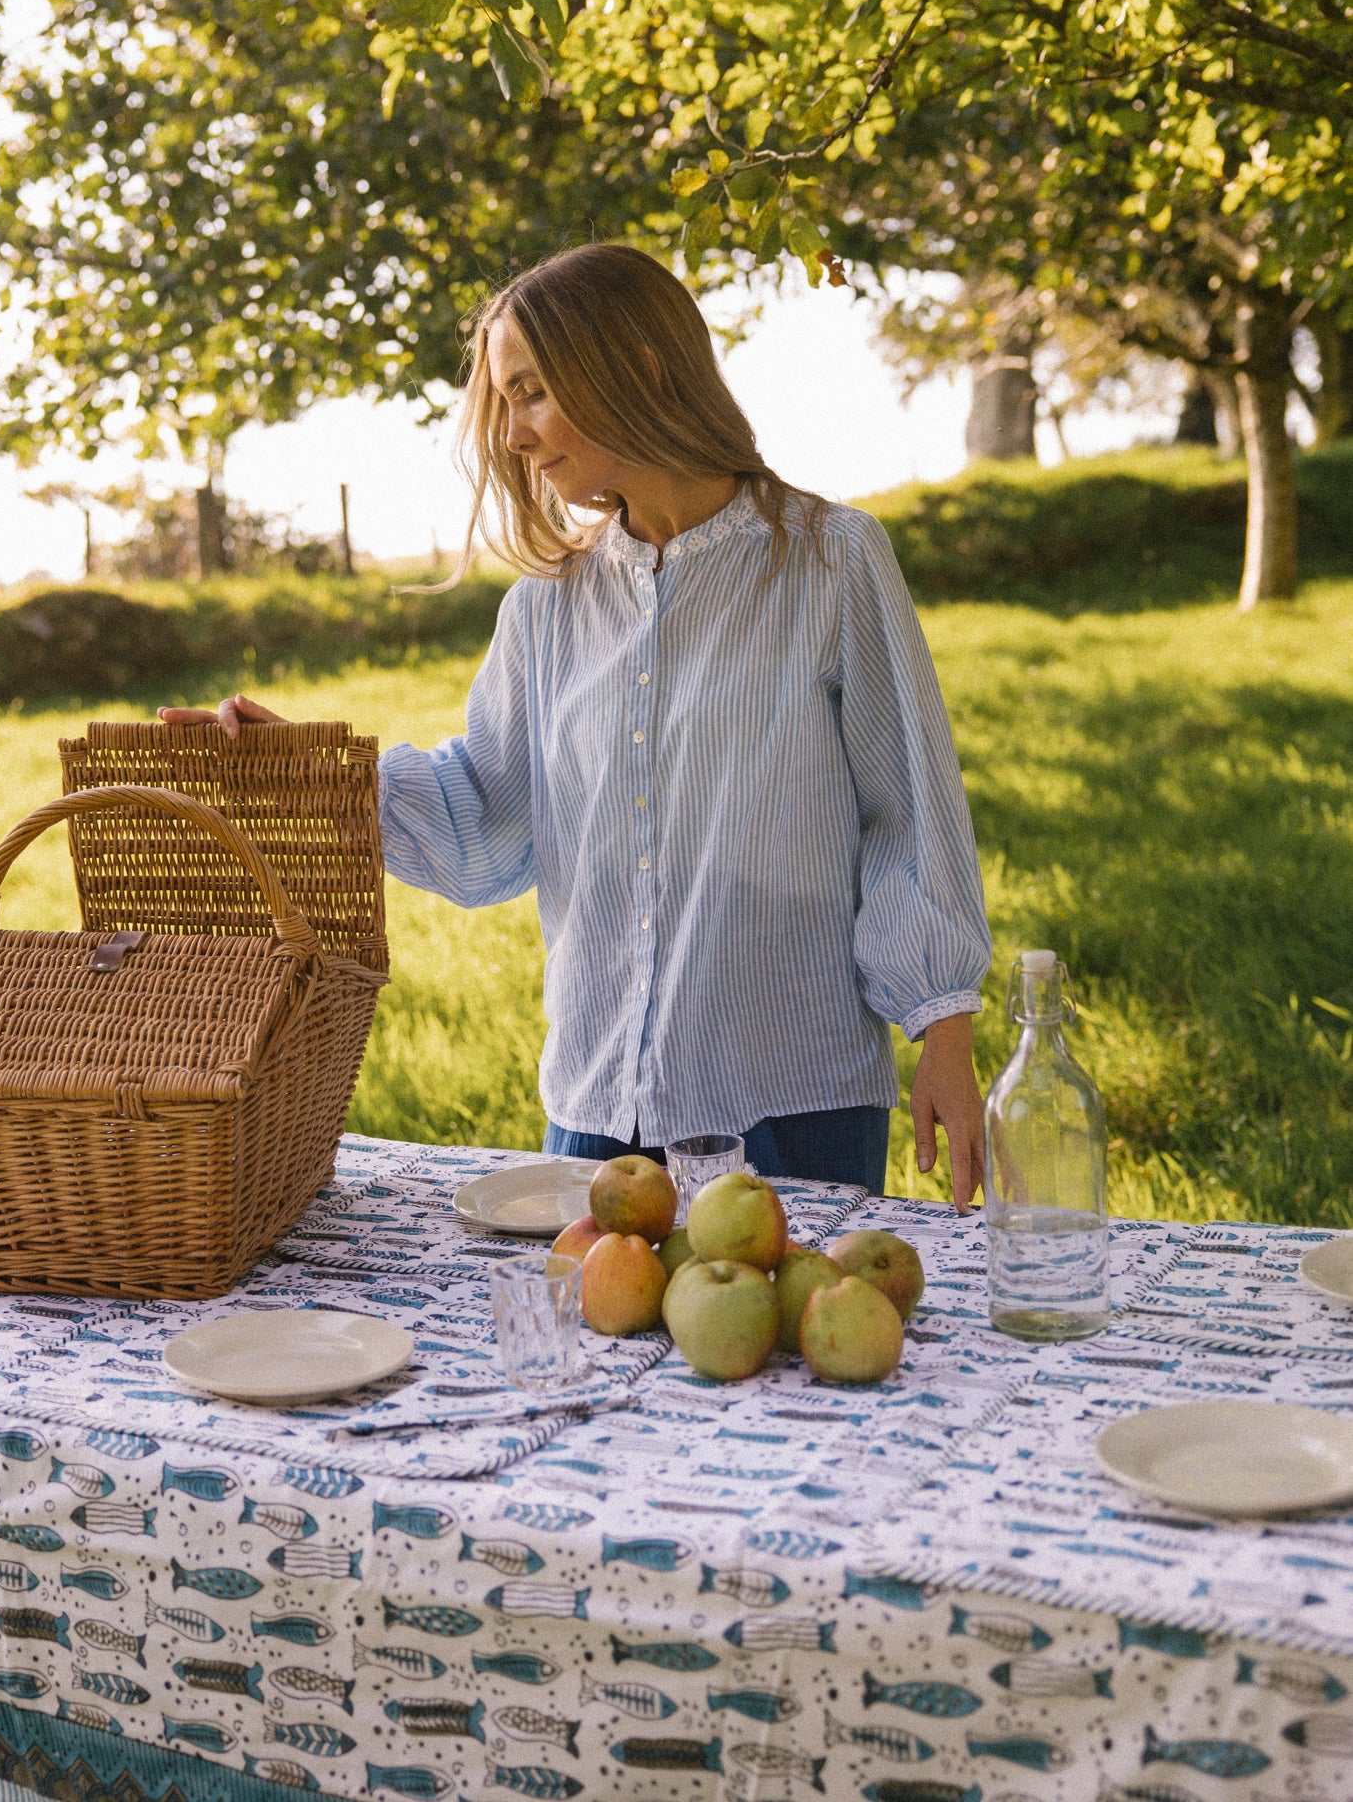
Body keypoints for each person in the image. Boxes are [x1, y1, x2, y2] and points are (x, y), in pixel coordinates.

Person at [162, 244, 992, 1208]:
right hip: (599, 1104)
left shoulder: (830, 563)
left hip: (791, 1095)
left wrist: (945, 1036)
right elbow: (491, 818)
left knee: (783, 1355)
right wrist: (309, 772)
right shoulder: (545, 607)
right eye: (504, 404)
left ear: (635, 368)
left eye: (531, 393)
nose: (514, 436)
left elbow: (913, 813)